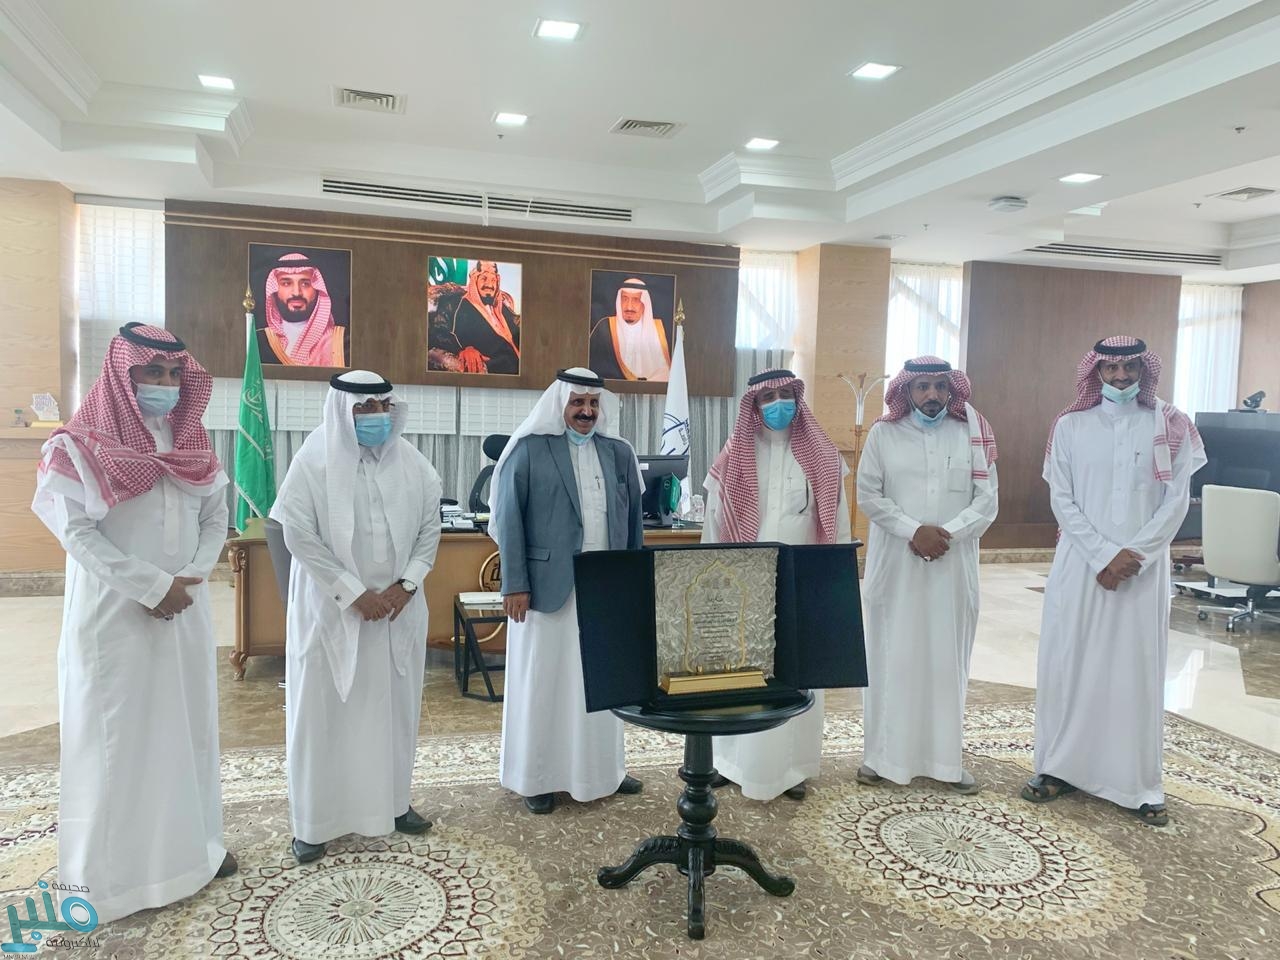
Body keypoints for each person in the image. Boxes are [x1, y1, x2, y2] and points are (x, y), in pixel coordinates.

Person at [31, 323, 235, 923]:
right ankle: (112, 880)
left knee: (187, 730)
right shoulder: (78, 445)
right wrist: (149, 586)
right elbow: (74, 531)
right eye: (153, 372)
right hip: (116, 617)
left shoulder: (192, 442)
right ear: (124, 375)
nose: (165, 384)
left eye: (174, 374)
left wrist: (190, 578)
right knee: (116, 740)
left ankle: (193, 852)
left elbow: (215, 518)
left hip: (184, 611)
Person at [1024, 337, 1204, 827]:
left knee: (1134, 670)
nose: (1121, 377)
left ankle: (1137, 784)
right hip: (1081, 564)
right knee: (1070, 662)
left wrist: (1134, 555)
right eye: (1111, 368)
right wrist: (1104, 554)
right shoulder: (1070, 425)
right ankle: (1057, 768)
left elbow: (1177, 501)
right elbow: (1061, 499)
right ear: (1096, 372)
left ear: (1144, 370)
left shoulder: (1170, 424)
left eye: (1130, 368)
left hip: (1143, 570)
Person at [271, 370, 443, 862]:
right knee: (322, 715)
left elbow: (430, 528)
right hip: (332, 613)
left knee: (393, 713)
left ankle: (394, 804)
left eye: (383, 406)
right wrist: (353, 594)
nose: (376, 416)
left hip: (397, 612)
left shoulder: (413, 463)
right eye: (364, 408)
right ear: (343, 411)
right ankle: (314, 823)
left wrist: (407, 585)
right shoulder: (312, 460)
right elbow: (298, 535)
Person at [490, 368, 645, 813]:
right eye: (578, 402)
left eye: (593, 403)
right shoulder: (529, 450)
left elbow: (633, 523)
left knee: (603, 680)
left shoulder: (619, 453)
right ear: (560, 404)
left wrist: (631, 582)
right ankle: (537, 778)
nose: (586, 411)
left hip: (604, 587)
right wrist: (515, 583)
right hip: (546, 589)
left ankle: (604, 771)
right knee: (544, 682)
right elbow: (509, 520)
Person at [702, 369, 852, 801]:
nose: (778, 403)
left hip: (801, 584)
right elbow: (714, 522)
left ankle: (792, 768)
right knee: (740, 672)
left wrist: (832, 582)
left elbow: (838, 525)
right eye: (769, 397)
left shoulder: (822, 456)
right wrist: (712, 582)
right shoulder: (734, 455)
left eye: (786, 394)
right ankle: (728, 762)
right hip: (744, 584)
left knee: (795, 672)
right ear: (754, 404)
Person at [855, 357, 999, 794]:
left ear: (951, 389)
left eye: (940, 386)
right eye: (922, 386)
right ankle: (881, 758)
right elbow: (868, 495)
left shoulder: (972, 433)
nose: (932, 394)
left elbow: (987, 500)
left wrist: (946, 534)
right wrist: (913, 530)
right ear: (907, 391)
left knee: (946, 661)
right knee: (892, 657)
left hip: (952, 569)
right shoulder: (883, 434)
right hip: (896, 567)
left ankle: (945, 761)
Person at [428, 260, 521, 374]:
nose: (489, 285)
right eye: (484, 278)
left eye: (493, 280)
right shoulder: (455, 303)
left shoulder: (502, 307)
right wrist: (464, 349)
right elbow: (438, 332)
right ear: (474, 279)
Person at [258, 251, 347, 367]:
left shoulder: (341, 341)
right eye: (286, 283)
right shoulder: (259, 341)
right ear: (275, 290)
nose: (296, 292)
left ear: (317, 289)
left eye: (305, 284)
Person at [588, 277, 672, 381]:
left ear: (644, 303)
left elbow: (665, 373)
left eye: (636, 300)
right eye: (625, 299)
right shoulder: (604, 327)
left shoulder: (659, 331)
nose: (629, 307)